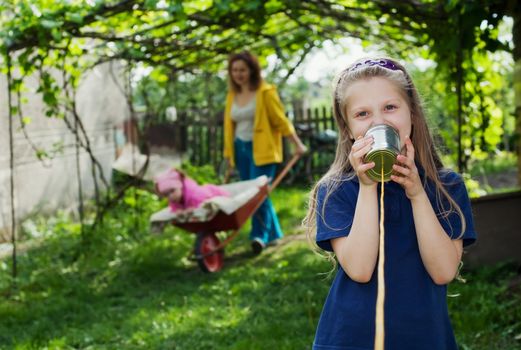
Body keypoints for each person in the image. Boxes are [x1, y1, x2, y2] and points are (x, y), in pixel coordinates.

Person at [304, 57, 477, 349]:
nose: (378, 122)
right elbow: (359, 269)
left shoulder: (446, 187)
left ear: (412, 114)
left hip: (425, 339)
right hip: (350, 339)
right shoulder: (335, 190)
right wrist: (367, 187)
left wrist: (417, 193)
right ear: (347, 128)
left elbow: (444, 271)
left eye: (390, 107)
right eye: (362, 113)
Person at [223, 51, 307, 254]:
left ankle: (258, 236)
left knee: (257, 194)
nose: (238, 74)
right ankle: (273, 233)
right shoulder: (232, 96)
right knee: (248, 193)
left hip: (262, 150)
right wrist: (228, 155)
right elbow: (228, 127)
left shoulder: (265, 92)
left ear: (252, 70)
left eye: (242, 69)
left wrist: (297, 144)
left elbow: (280, 120)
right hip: (240, 149)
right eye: (235, 70)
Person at [155, 168, 230, 213]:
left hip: (215, 193)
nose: (170, 196)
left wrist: (195, 208)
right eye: (166, 195)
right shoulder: (174, 199)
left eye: (172, 191)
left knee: (217, 201)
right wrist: (177, 211)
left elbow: (205, 203)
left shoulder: (195, 194)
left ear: (180, 186)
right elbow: (174, 207)